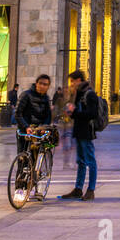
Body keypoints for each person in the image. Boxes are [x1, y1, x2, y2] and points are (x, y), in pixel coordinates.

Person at [59, 69, 98, 200]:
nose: (71, 84)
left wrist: (74, 111)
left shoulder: (90, 94)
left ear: (79, 80)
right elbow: (76, 114)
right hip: (79, 131)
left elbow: (93, 114)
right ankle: (78, 188)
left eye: (72, 81)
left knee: (90, 161)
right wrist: (71, 111)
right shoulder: (78, 94)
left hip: (87, 132)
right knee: (80, 161)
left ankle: (91, 190)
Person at [14, 75, 53, 156]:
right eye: (40, 83)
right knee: (23, 158)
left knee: (36, 156)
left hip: (38, 131)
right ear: (36, 83)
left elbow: (48, 116)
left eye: (45, 84)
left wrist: (44, 127)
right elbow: (18, 113)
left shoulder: (46, 98)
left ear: (48, 86)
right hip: (25, 131)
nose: (42, 86)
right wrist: (26, 127)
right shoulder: (26, 95)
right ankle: (22, 168)